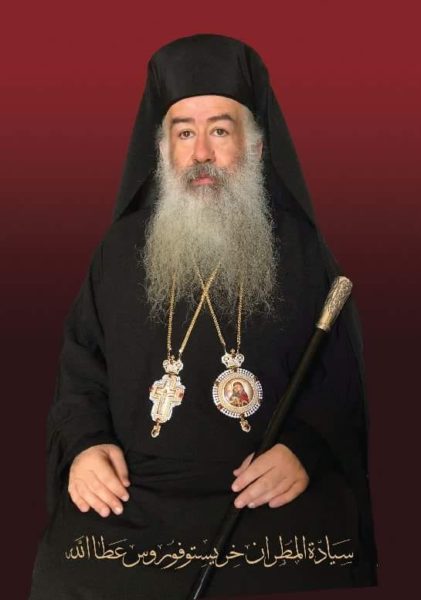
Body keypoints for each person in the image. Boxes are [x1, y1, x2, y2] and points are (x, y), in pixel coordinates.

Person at [29, 34, 378, 599]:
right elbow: (81, 369)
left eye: (219, 131)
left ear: (256, 147)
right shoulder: (119, 250)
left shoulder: (301, 250)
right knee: (68, 572)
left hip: (260, 495)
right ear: (164, 150)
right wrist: (86, 445)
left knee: (319, 556)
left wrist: (303, 450)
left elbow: (341, 380)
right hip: (138, 498)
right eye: (184, 133)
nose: (201, 155)